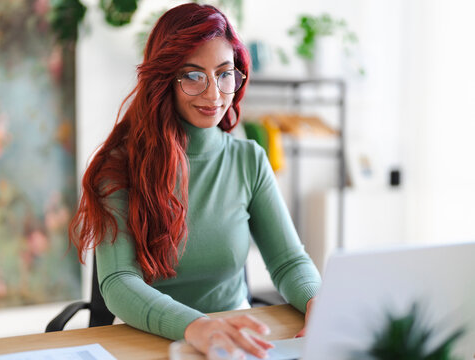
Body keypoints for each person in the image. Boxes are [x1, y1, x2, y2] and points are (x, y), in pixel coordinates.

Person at [70, 3, 321, 359]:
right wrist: (197, 326)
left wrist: (317, 300)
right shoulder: (120, 165)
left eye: (224, 74)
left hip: (236, 342)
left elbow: (289, 262)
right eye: (193, 75)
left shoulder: (248, 160)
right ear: (164, 80)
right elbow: (118, 282)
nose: (214, 94)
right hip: (152, 341)